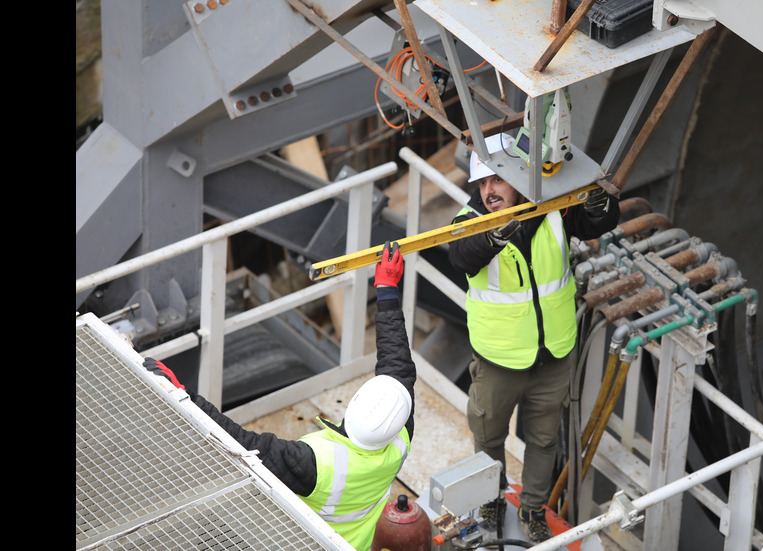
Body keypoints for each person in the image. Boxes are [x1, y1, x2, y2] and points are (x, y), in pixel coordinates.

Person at [142, 242, 414, 551]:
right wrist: (388, 290)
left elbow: (244, 445)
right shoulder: (400, 436)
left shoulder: (318, 465)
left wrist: (184, 396)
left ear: (352, 406)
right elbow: (398, 366)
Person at [448, 134, 620, 542]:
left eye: (497, 181)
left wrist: (602, 204)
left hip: (553, 353)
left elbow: (597, 220)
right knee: (489, 435)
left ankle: (533, 510)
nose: (489, 191)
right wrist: (492, 237)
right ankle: (491, 497)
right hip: (499, 359)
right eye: (483, 183)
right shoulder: (470, 220)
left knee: (543, 440)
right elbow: (461, 254)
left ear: (521, 177)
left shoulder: (554, 209)